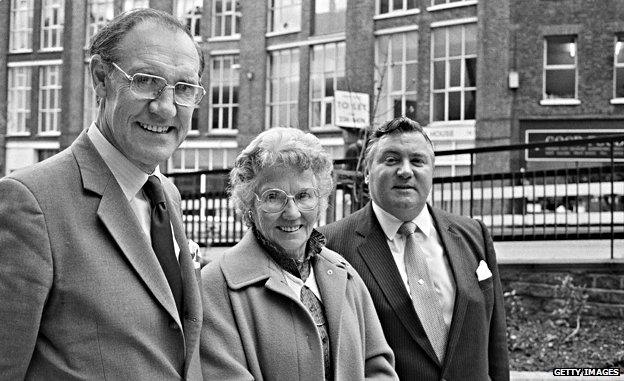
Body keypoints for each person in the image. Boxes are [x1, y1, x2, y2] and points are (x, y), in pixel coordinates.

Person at [0, 9, 206, 380]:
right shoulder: (30, 203)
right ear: (100, 78)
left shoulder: (167, 196)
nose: (165, 107)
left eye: (184, 88)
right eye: (146, 81)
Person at [319, 117, 509, 381]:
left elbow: (496, 342)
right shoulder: (330, 247)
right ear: (366, 171)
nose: (405, 171)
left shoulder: (473, 235)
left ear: (432, 169)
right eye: (391, 159)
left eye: (417, 161)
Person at [199, 127, 398, 380]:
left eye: (304, 196)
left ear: (321, 199)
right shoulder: (217, 285)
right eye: (274, 197)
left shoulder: (343, 273)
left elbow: (378, 367)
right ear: (249, 204)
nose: (292, 212)